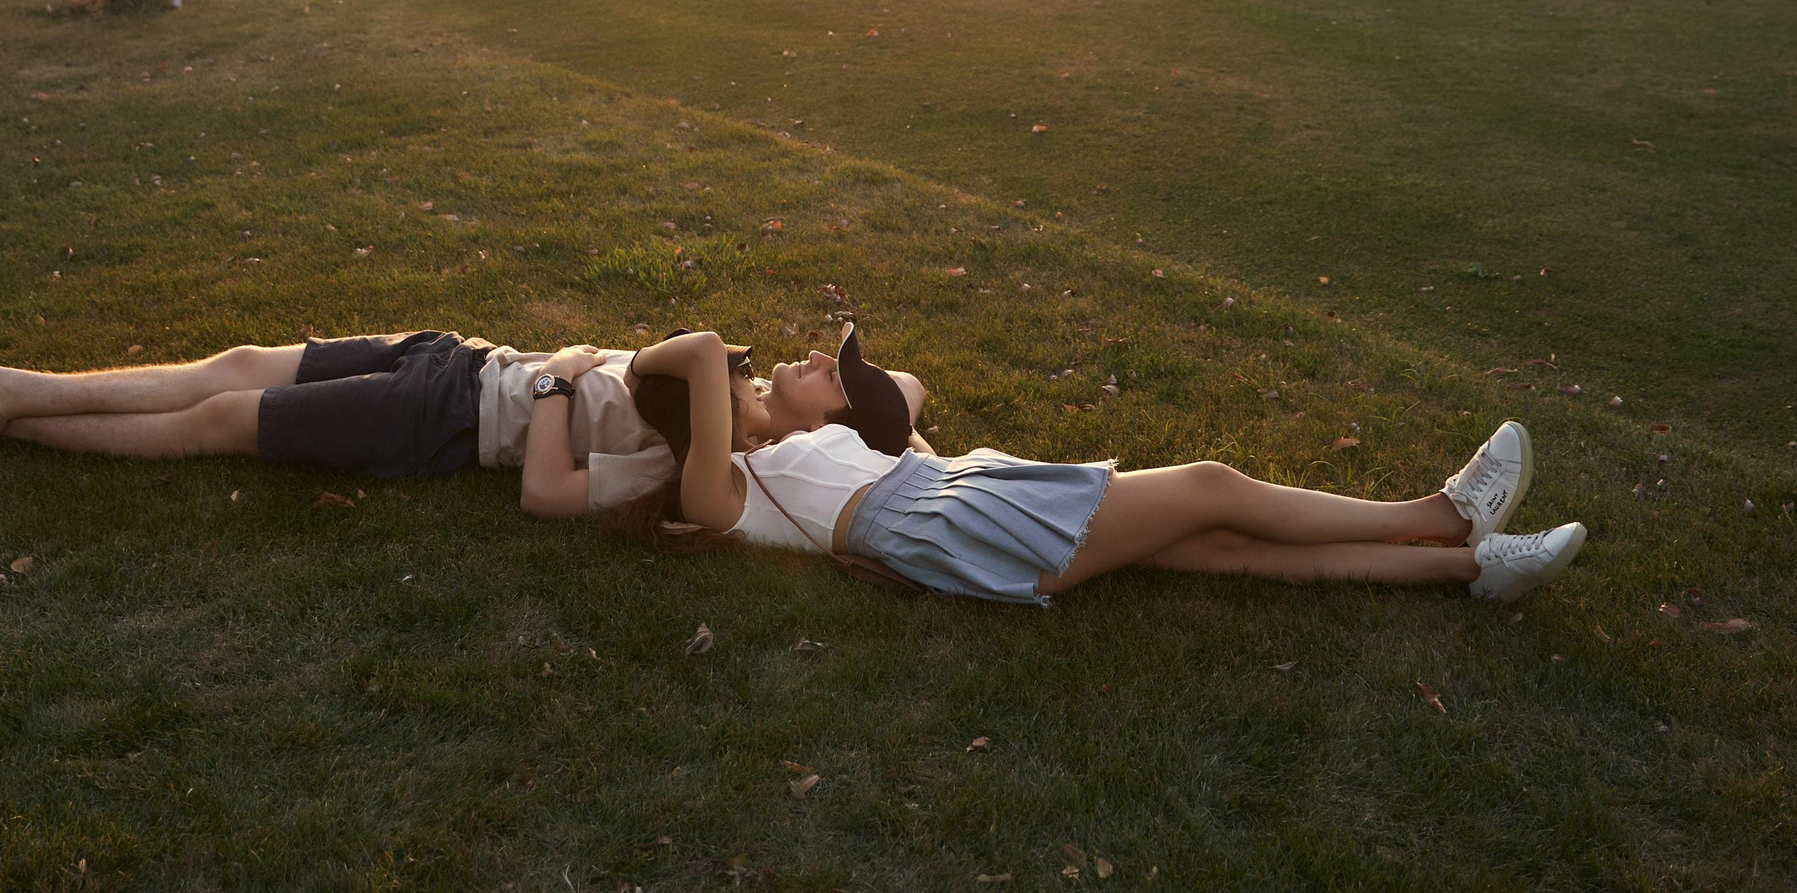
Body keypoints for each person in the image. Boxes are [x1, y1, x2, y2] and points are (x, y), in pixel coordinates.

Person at [627, 325, 1586, 605]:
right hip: (955, 525)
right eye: (750, 385)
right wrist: (696, 381)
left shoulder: (800, 448)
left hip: (965, 491)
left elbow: (911, 406)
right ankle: (1446, 510)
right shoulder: (726, 492)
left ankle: (1468, 566)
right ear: (717, 419)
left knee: (1219, 544)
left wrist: (827, 397)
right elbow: (697, 349)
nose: (759, 375)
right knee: (1212, 482)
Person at [0, 315, 924, 519]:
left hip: (445, 419)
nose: (807, 360)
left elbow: (549, 493)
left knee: (224, 414)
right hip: (455, 356)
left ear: (812, 430)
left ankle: (6, 400)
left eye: (827, 379)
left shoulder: (690, 461)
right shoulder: (725, 392)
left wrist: (560, 386)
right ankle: (6, 387)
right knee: (239, 360)